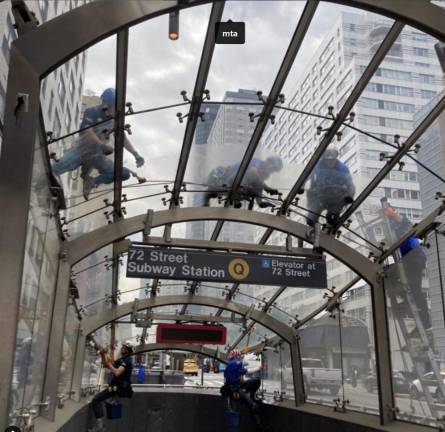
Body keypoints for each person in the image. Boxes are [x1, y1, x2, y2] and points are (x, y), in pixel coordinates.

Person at [51, 88, 145, 200]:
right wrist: (101, 144)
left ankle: (92, 182)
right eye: (114, 105)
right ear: (107, 103)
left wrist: (136, 154)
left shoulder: (114, 120)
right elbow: (88, 129)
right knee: (60, 166)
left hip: (97, 156)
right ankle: (41, 184)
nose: (115, 109)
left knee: (123, 174)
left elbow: (122, 138)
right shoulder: (92, 111)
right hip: (81, 150)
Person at [382, 200, 431, 330]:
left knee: (416, 291)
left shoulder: (402, 223)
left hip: (414, 260)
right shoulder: (391, 226)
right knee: (388, 275)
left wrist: (392, 213)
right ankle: (403, 297)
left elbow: (403, 221)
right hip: (407, 261)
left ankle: (425, 321)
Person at [202, 155, 283, 209]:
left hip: (235, 187)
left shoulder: (264, 175)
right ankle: (206, 201)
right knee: (211, 192)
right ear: (268, 161)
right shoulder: (256, 162)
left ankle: (235, 197)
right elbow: (253, 173)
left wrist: (261, 202)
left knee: (214, 192)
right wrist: (267, 189)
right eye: (273, 168)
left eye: (274, 170)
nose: (271, 171)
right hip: (229, 178)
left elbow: (258, 185)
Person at [89, 341, 134, 432]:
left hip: (118, 388)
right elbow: (107, 364)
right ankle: (101, 425)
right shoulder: (123, 359)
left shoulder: (127, 360)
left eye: (123, 347)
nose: (121, 348)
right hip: (115, 387)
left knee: (96, 400)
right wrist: (103, 354)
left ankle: (100, 426)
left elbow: (117, 372)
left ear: (127, 350)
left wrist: (109, 363)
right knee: (101, 397)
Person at [306, 147, 355, 227]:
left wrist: (349, 196)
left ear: (336, 157)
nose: (330, 162)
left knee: (333, 219)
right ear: (324, 158)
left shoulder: (343, 168)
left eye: (332, 159)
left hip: (336, 197)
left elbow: (350, 184)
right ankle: (312, 228)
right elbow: (307, 175)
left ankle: (329, 229)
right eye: (328, 159)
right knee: (311, 218)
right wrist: (303, 186)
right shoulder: (317, 165)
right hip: (319, 195)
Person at [222, 349, 263, 430]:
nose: (240, 357)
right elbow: (246, 371)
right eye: (239, 355)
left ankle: (250, 397)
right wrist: (258, 368)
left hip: (234, 388)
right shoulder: (237, 363)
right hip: (236, 389)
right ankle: (259, 425)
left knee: (255, 380)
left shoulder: (229, 364)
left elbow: (231, 377)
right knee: (253, 405)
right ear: (236, 356)